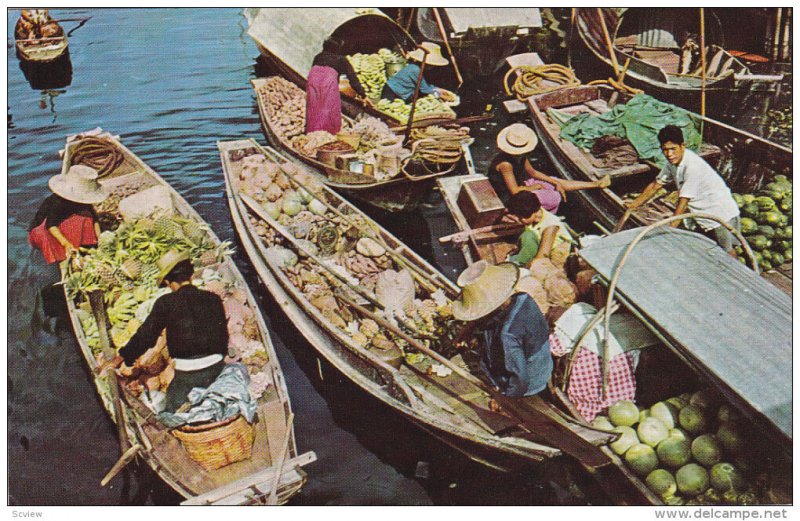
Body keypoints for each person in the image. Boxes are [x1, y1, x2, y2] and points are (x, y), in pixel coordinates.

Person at [113, 250, 229, 413]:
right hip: (217, 366)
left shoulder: (165, 303)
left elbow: (146, 336)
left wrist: (125, 356)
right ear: (191, 274)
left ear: (168, 281)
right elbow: (223, 338)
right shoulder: (213, 299)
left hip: (187, 372)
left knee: (171, 410)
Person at [626, 125, 741, 255]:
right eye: (665, 150)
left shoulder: (692, 166)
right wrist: (633, 204)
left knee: (726, 252)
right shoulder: (672, 162)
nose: (669, 154)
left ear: (683, 146)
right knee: (708, 251)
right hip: (700, 210)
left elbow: (683, 201)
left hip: (718, 211)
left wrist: (671, 229)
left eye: (673, 149)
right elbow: (656, 184)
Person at [452, 261, 552, 401]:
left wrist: (503, 399)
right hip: (543, 365)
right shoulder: (523, 297)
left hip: (530, 381)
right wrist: (467, 329)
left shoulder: (508, 335)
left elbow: (521, 380)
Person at [491, 123, 610, 214]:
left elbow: (533, 172)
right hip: (509, 196)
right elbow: (514, 191)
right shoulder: (506, 164)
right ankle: (541, 216)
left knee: (554, 182)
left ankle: (596, 184)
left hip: (522, 185)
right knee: (554, 197)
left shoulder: (520, 156)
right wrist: (533, 187)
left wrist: (554, 182)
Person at [28, 165, 107, 264]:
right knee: (78, 221)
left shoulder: (84, 202)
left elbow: (95, 219)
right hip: (43, 229)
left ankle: (85, 244)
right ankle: (63, 254)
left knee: (87, 217)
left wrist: (100, 238)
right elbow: (51, 225)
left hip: (63, 222)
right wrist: (66, 244)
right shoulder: (58, 201)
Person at [306, 37, 368, 135]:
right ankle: (327, 134)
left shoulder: (318, 57)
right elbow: (353, 78)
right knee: (329, 108)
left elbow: (313, 70)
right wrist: (363, 95)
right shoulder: (341, 59)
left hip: (313, 79)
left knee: (314, 106)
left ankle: (313, 132)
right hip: (327, 81)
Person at [506, 191, 574, 269]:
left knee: (528, 236)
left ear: (531, 214)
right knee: (527, 235)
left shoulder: (550, 226)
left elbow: (541, 257)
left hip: (556, 254)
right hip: (541, 244)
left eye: (520, 218)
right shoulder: (533, 211)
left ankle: (521, 264)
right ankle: (522, 260)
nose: (518, 220)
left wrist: (523, 268)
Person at [381, 42, 448, 103]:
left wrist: (438, 89)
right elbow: (424, 89)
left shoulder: (417, 67)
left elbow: (424, 84)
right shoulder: (416, 70)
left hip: (397, 91)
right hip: (391, 91)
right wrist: (440, 94)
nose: (433, 66)